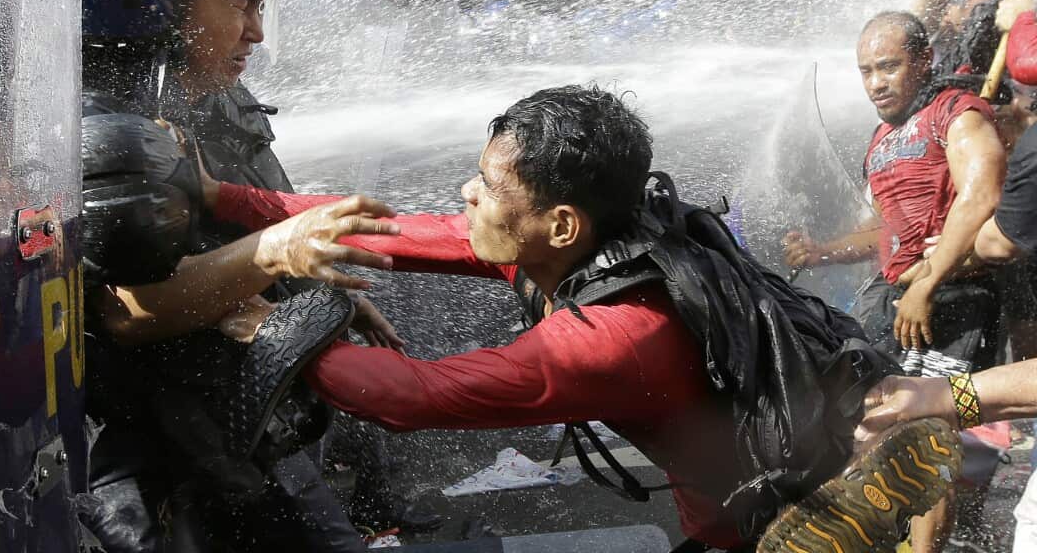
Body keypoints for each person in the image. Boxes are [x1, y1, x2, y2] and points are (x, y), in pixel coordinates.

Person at [201, 84, 963, 553]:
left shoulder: (614, 337)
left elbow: (410, 396)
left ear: (561, 223)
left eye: (487, 185)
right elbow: (380, 231)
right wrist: (228, 205)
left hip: (783, 531)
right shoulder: (612, 240)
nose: (465, 194)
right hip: (751, 503)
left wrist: (267, 327)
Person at [78, 0, 406, 552]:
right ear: (166, 2)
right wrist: (279, 254)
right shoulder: (101, 135)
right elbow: (126, 312)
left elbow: (270, 215)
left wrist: (318, 278)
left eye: (262, 5)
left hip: (244, 426)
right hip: (151, 459)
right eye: (241, 3)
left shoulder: (224, 102)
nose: (257, 31)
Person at [784, 11, 1008, 552]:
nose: (876, 82)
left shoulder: (956, 114)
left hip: (953, 300)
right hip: (892, 300)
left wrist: (927, 283)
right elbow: (883, 231)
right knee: (867, 426)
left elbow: (982, 197)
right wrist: (821, 253)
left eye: (889, 66)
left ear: (924, 61)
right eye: (866, 71)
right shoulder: (881, 139)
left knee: (924, 433)